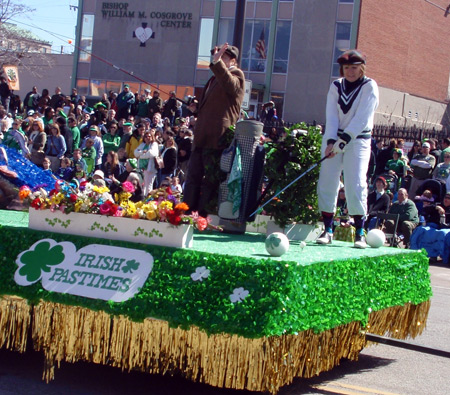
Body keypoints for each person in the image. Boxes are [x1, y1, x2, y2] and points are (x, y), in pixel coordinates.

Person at [316, 49, 379, 248]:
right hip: (334, 139)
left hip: (358, 140)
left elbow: (362, 118)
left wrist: (342, 142)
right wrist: (330, 143)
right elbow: (332, 116)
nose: (350, 72)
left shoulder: (369, 86)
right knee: (327, 181)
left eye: (354, 67)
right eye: (346, 68)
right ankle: (327, 229)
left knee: (356, 183)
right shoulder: (336, 85)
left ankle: (359, 231)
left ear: (361, 68)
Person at [183, 43, 245, 216]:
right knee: (193, 177)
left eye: (222, 57)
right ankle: (186, 211)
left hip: (217, 137)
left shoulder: (237, 75)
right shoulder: (213, 79)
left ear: (232, 60)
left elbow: (230, 86)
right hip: (202, 136)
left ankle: (203, 215)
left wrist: (218, 65)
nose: (216, 59)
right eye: (216, 56)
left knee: (210, 180)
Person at [134, 130, 159, 196]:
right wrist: (142, 152)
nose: (148, 138)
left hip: (150, 168)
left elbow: (151, 153)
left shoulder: (154, 144)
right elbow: (135, 153)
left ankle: (148, 200)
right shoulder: (142, 145)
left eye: (149, 136)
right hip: (141, 168)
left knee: (149, 186)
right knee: (142, 185)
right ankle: (142, 198)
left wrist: (141, 155)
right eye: (146, 136)